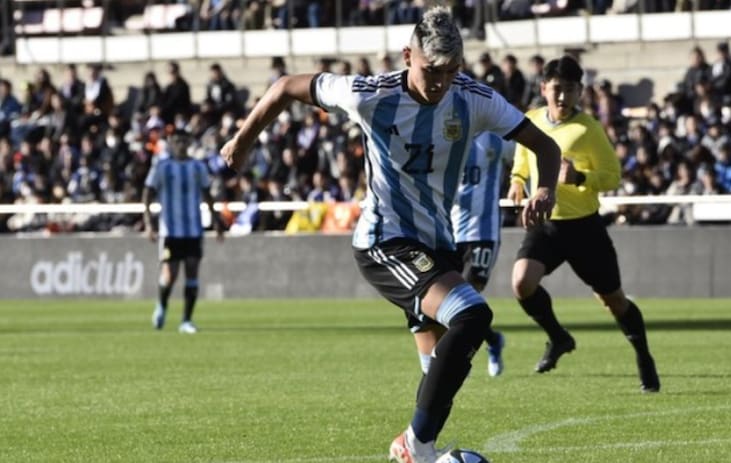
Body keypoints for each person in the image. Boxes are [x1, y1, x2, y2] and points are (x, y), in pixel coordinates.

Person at [219, 7, 561, 463]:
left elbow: (545, 145)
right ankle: (414, 445)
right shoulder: (369, 94)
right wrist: (242, 140)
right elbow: (285, 87)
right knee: (472, 315)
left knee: (438, 366)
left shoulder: (473, 98)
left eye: (451, 71)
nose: (441, 82)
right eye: (432, 70)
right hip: (385, 241)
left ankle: (421, 452)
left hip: (438, 244)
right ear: (407, 57)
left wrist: (545, 189)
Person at [507, 56, 660, 392]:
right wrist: (517, 180)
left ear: (580, 91)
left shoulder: (589, 129)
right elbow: (522, 160)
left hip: (583, 228)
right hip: (546, 224)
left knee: (613, 300)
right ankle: (558, 337)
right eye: (557, 89)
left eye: (570, 89)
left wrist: (580, 177)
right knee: (521, 282)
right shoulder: (531, 120)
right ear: (543, 88)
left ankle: (644, 357)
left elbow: (613, 176)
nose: (562, 96)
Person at [407, 132, 516, 380]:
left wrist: (520, 182)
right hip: (448, 234)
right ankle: (491, 340)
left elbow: (524, 156)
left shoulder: (495, 139)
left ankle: (454, 362)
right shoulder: (442, 137)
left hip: (483, 232)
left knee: (468, 296)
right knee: (452, 305)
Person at [143, 129, 224, 334]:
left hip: (193, 230)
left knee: (192, 271)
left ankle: (186, 320)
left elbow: (206, 194)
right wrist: (149, 223)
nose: (180, 144)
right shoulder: (162, 166)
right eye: (176, 141)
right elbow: (148, 193)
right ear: (171, 143)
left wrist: (216, 221)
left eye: (183, 141)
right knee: (170, 274)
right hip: (170, 231)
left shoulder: (198, 167)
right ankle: (162, 305)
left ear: (189, 143)